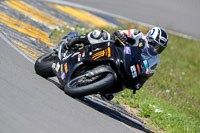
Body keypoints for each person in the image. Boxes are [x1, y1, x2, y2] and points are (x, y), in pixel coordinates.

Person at [62, 27, 168, 96]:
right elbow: (118, 33)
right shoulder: (137, 35)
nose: (155, 49)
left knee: (109, 96)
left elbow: (146, 74)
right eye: (154, 44)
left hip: (124, 70)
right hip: (114, 52)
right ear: (148, 37)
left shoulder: (153, 60)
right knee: (101, 35)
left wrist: (142, 78)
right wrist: (121, 36)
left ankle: (91, 79)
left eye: (159, 48)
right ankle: (73, 40)